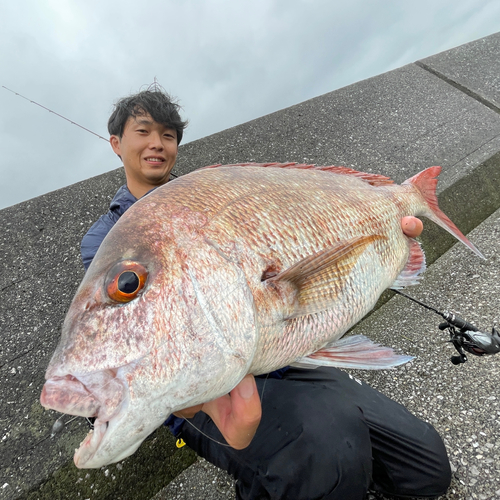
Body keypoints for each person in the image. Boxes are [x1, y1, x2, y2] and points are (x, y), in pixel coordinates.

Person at [81, 88, 451, 500]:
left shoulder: (213, 195)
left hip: (287, 354)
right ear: (116, 144)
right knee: (324, 447)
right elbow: (136, 331)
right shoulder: (106, 240)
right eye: (143, 131)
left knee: (427, 469)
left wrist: (382, 244)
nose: (157, 144)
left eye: (168, 135)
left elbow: (305, 257)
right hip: (204, 392)